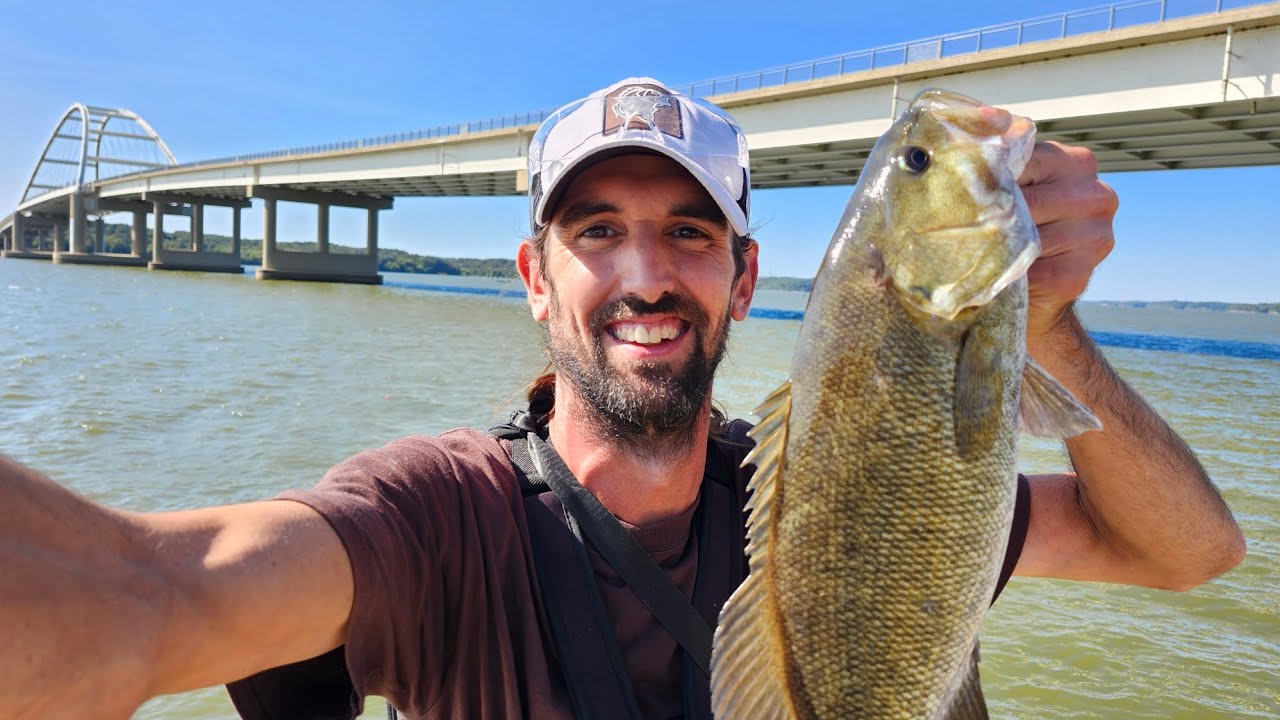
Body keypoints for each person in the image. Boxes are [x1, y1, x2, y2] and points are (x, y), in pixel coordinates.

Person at [0, 77, 1245, 720]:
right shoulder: (438, 518)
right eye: (598, 231)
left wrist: (1045, 328)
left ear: (745, 277)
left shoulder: (829, 487)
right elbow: (165, 597)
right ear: (537, 279)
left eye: (690, 234)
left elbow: (1189, 553)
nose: (645, 274)